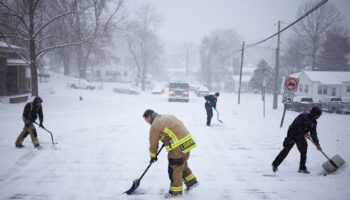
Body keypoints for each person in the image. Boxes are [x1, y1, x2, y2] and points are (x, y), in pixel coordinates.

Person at [143, 109, 198, 197]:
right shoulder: (168, 116)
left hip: (177, 146)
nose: (147, 122)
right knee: (182, 164)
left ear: (149, 116)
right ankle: (191, 182)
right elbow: (175, 129)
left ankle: (175, 192)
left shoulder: (155, 125)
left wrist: (153, 156)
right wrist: (167, 139)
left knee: (174, 168)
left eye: (146, 120)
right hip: (188, 142)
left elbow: (153, 143)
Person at [272, 107, 322, 173]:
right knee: (286, 149)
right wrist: (304, 133)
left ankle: (302, 168)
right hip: (292, 134)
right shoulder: (302, 116)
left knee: (304, 150)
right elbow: (296, 126)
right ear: (314, 114)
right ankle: (275, 165)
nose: (318, 117)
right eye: (318, 115)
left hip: (301, 137)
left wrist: (317, 143)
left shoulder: (314, 122)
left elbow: (313, 133)